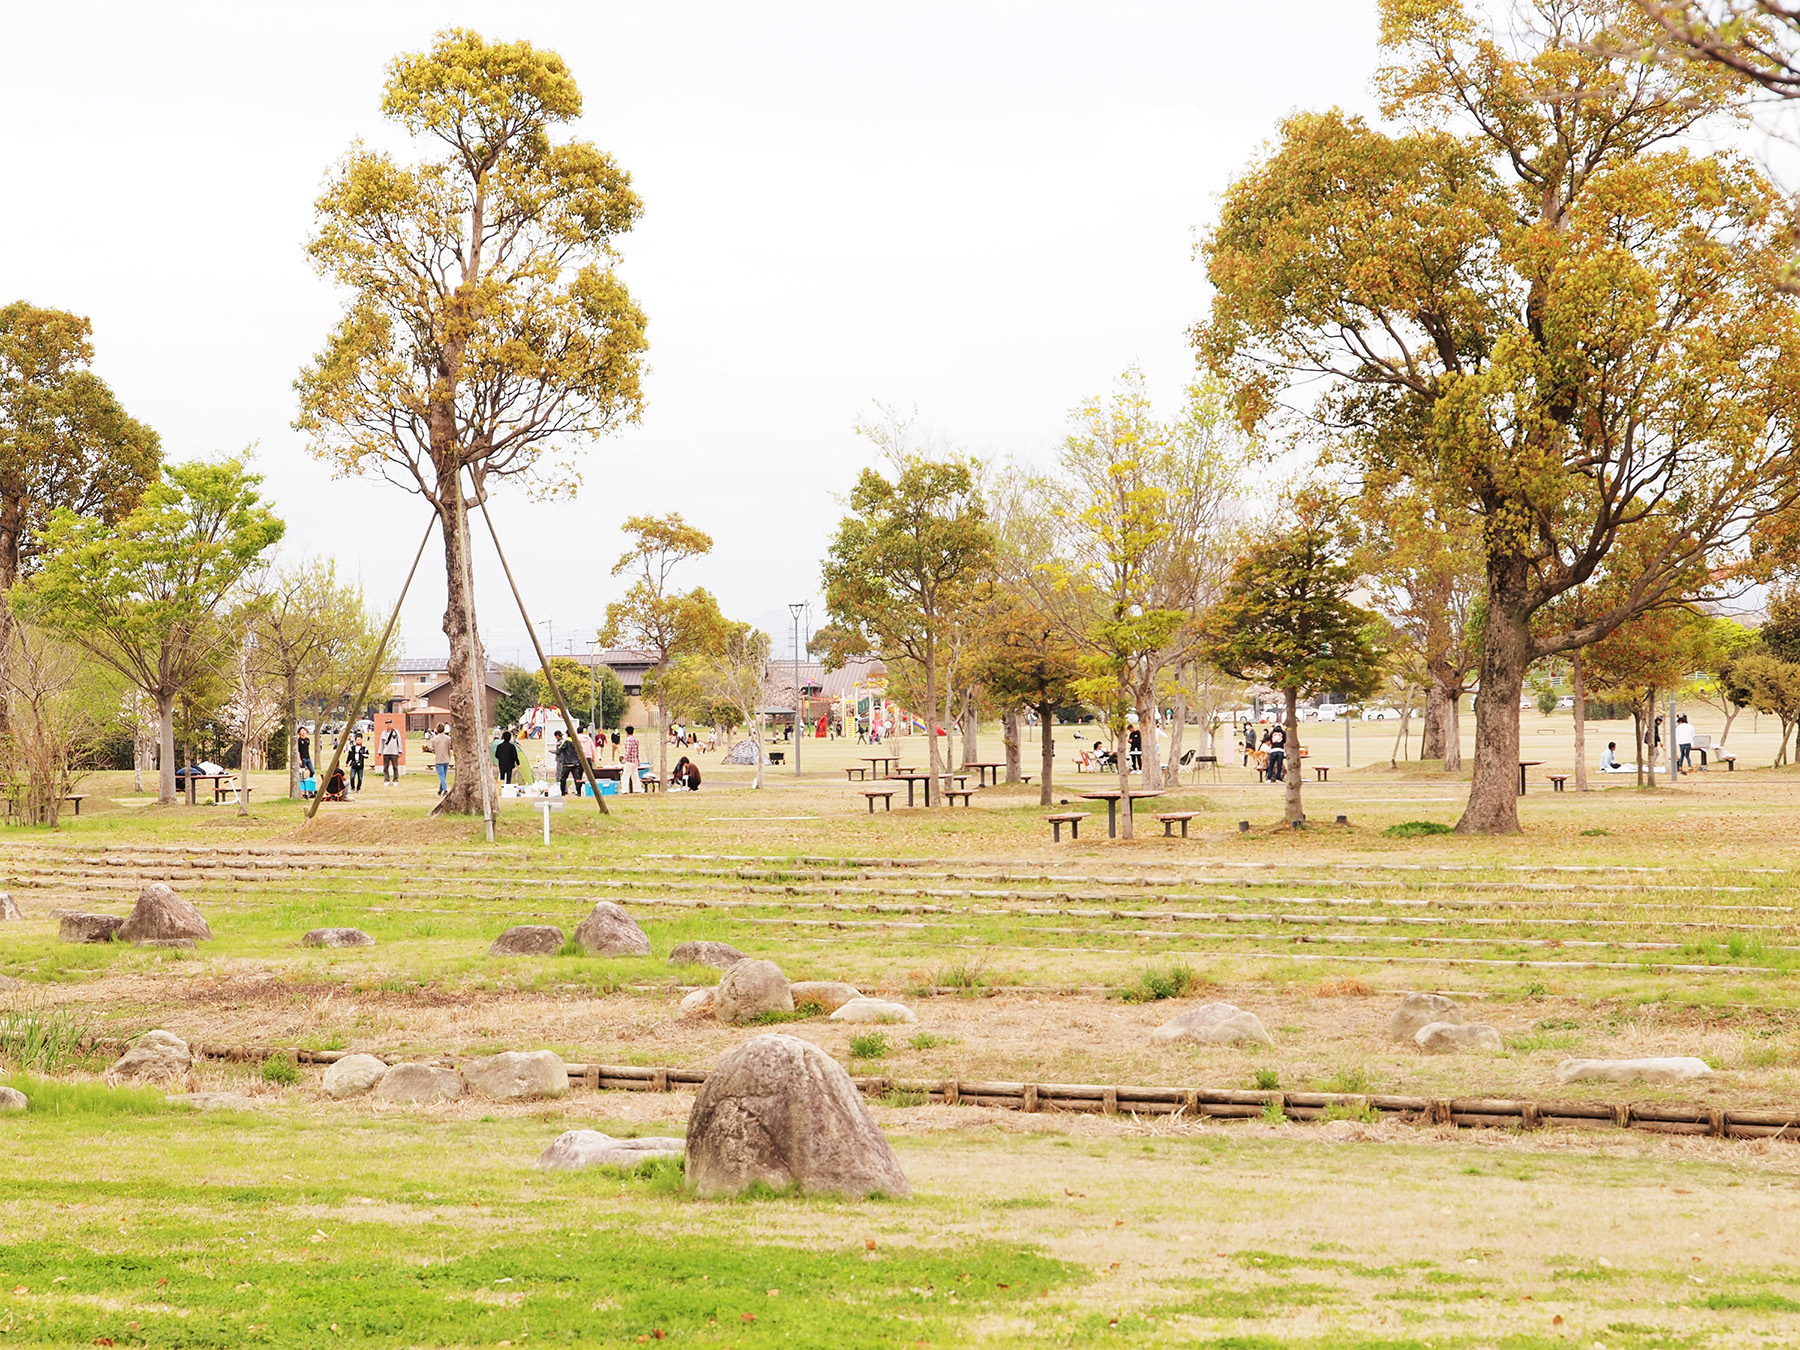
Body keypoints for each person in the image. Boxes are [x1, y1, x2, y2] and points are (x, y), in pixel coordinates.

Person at [555, 730, 581, 797]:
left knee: (563, 778)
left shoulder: (566, 741)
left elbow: (559, 749)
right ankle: (579, 792)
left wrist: (557, 745)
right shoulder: (576, 741)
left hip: (567, 763)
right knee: (577, 778)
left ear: (567, 734)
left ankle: (563, 792)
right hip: (576, 763)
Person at [430, 723, 452, 795]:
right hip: (447, 759)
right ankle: (440, 791)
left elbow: (432, 749)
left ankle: (445, 789)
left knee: (441, 776)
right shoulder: (448, 738)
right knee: (444, 776)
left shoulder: (434, 740)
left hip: (439, 760)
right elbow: (451, 747)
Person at [621, 723, 642, 791]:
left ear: (626, 732)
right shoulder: (636, 739)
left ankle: (625, 790)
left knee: (625, 776)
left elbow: (628, 750)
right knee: (635, 776)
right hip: (635, 761)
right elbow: (637, 751)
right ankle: (638, 789)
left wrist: (625, 759)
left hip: (629, 761)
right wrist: (638, 760)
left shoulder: (629, 740)